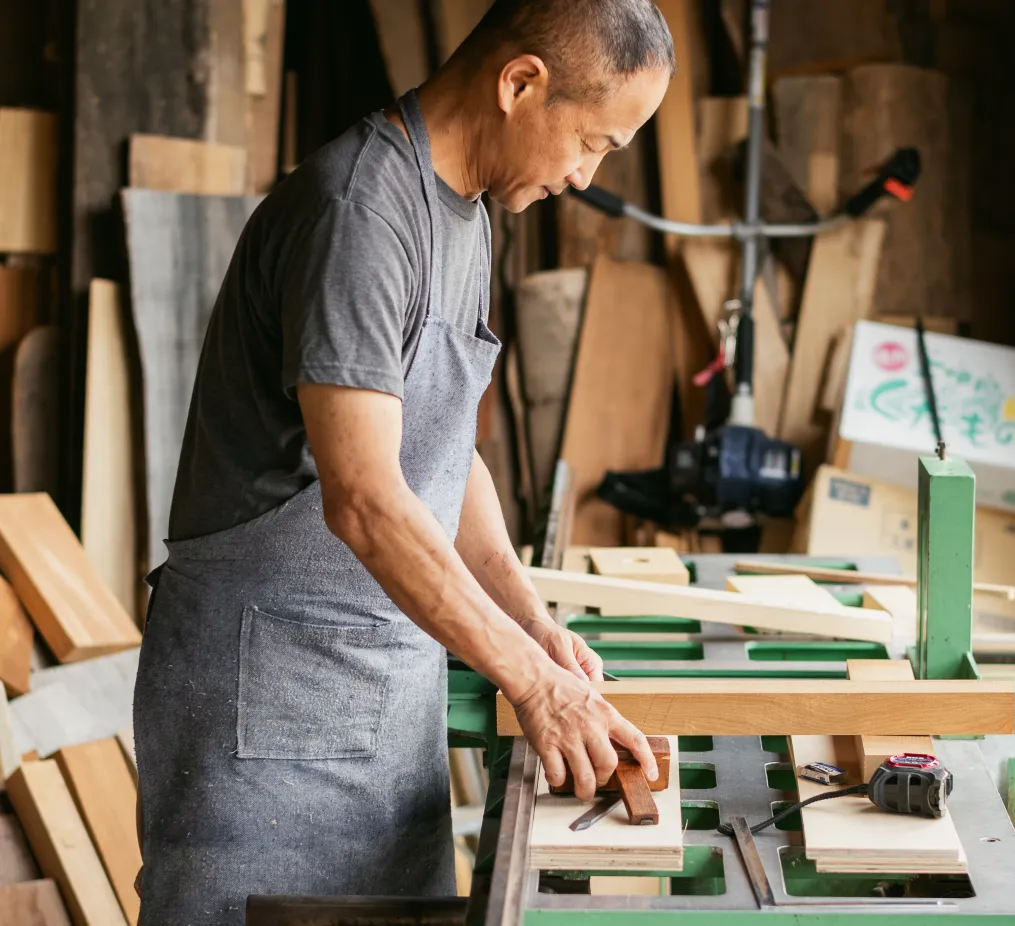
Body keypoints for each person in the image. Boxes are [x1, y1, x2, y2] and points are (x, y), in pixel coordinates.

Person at [131, 1, 674, 920]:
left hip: (372, 691)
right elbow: (368, 498)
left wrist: (530, 623)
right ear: (520, 84)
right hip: (266, 704)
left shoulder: (464, 214)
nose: (584, 175)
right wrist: (534, 688)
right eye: (594, 143)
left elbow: (442, 449)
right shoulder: (360, 216)